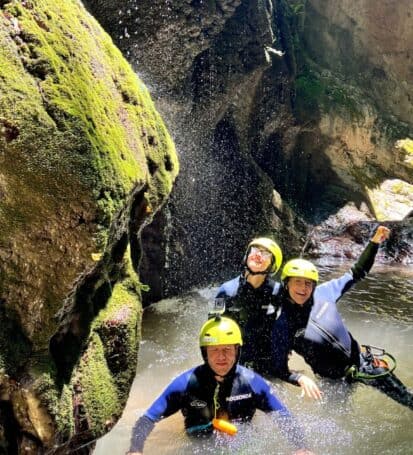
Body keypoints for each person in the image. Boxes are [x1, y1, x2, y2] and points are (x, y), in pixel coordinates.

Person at [127, 317, 313, 455]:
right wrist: (135, 450)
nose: (221, 357)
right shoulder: (185, 384)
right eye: (214, 350)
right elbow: (147, 419)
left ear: (237, 351)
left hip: (242, 442)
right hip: (197, 444)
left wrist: (302, 448)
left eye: (227, 349)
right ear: (204, 353)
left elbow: (283, 416)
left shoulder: (252, 383)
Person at [276, 225, 413, 410]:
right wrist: (299, 378)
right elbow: (277, 367)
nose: (303, 288)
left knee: (407, 398)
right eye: (297, 282)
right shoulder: (281, 323)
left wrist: (374, 243)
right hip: (334, 382)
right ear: (286, 284)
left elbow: (357, 272)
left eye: (308, 283)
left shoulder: (325, 293)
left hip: (364, 363)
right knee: (337, 421)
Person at [214, 237, 322, 399]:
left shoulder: (278, 293)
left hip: (267, 364)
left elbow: (299, 319)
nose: (258, 255)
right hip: (236, 363)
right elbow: (212, 331)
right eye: (254, 251)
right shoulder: (226, 291)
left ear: (273, 265)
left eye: (265, 254)